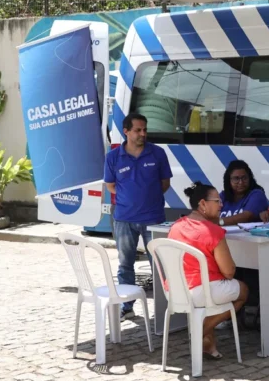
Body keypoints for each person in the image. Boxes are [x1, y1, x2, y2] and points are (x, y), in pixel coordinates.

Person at [168, 182, 249, 359]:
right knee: (243, 290)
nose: (221, 205)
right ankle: (201, 330)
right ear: (203, 204)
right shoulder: (213, 232)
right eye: (217, 201)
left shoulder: (176, 226)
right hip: (200, 291)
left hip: (176, 290)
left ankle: (208, 345)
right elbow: (229, 272)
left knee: (213, 293)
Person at [104, 113, 172, 320]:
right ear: (126, 132)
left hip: (154, 220)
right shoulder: (113, 157)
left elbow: (164, 184)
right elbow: (111, 186)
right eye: (138, 130)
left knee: (159, 264)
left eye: (145, 129)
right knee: (125, 264)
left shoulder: (157, 153)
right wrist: (131, 198)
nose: (143, 133)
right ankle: (127, 306)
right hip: (124, 219)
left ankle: (166, 309)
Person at [217, 160, 269, 226]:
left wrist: (218, 222)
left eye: (244, 178)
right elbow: (209, 214)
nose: (241, 182)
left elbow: (246, 217)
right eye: (236, 178)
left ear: (249, 178)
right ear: (229, 180)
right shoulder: (223, 196)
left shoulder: (257, 194)